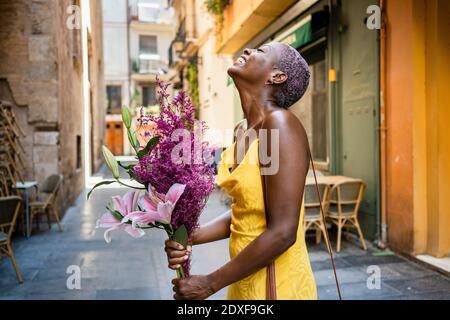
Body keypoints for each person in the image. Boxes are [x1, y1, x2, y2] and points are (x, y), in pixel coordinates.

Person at [165, 42, 317, 300]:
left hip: (278, 285)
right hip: (243, 280)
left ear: (276, 76)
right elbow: (245, 212)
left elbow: (283, 232)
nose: (247, 50)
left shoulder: (280, 124)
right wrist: (192, 235)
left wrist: (210, 283)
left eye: (261, 51)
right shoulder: (242, 132)